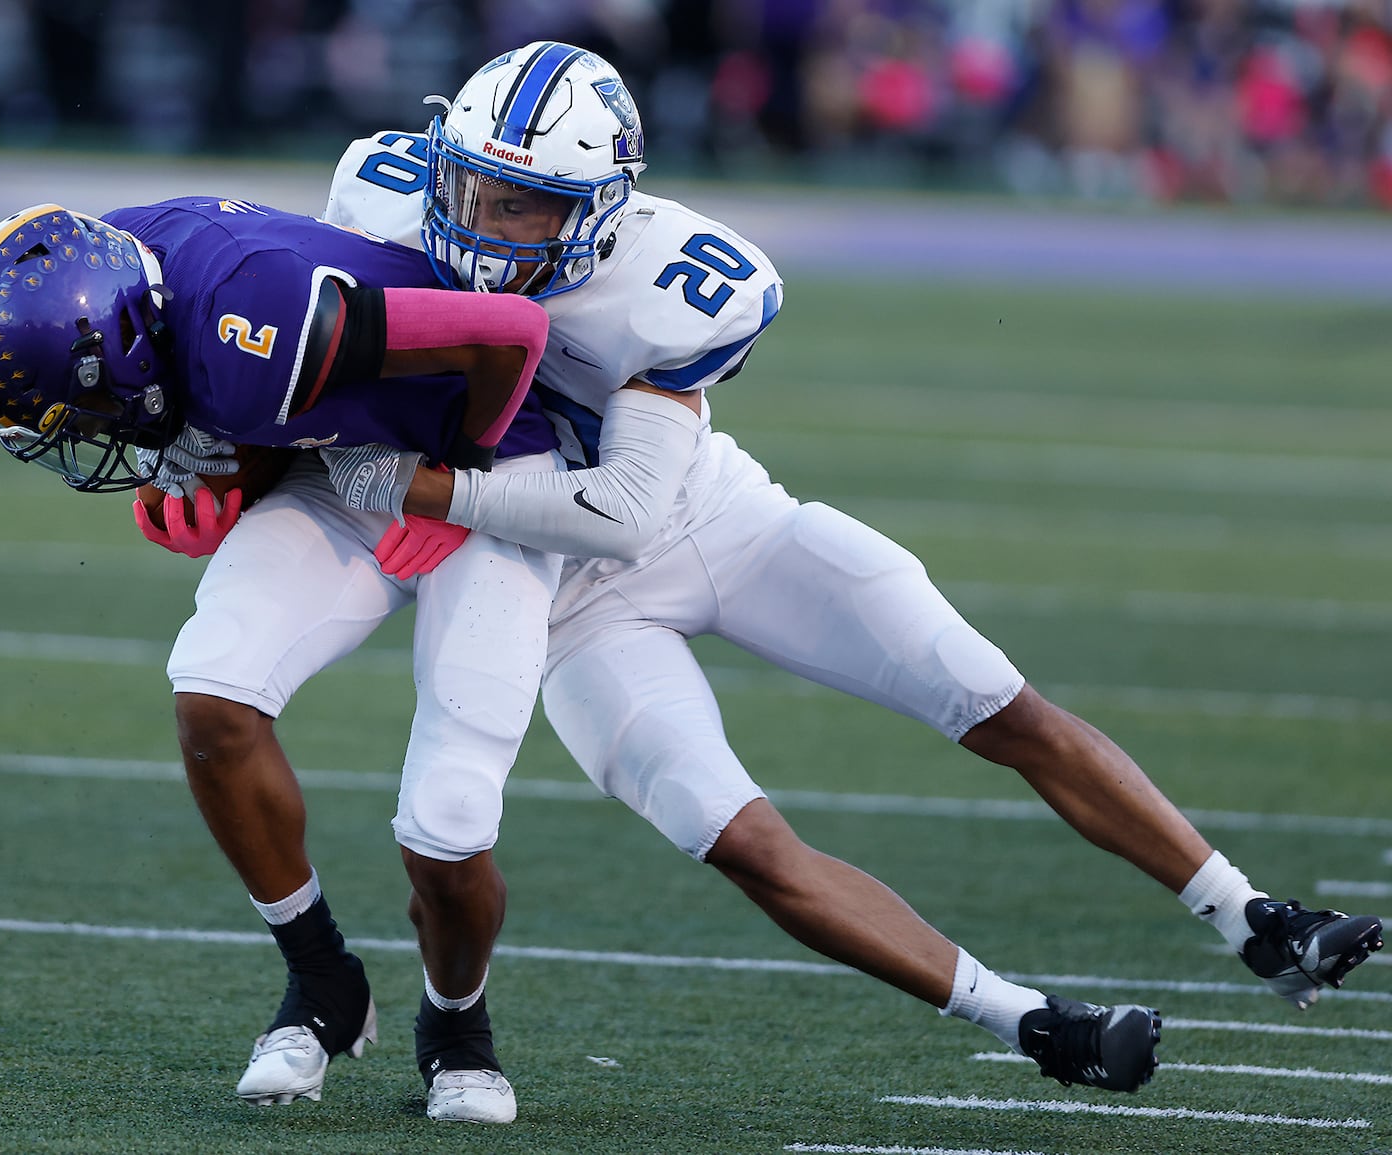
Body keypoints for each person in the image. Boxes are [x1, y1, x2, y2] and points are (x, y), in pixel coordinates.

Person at [316, 40, 1385, 1104]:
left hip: (712, 522)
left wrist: (408, 488)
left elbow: (625, 512)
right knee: (742, 841)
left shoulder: (676, 284)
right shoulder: (382, 195)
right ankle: (1036, 1025)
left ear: (601, 206)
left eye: (525, 205)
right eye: (474, 187)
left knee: (995, 701)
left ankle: (1250, 916)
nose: (484, 224)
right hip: (559, 604)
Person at [0, 197, 567, 1124]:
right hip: (344, 459)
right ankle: (322, 982)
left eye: (89, 407)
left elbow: (512, 335)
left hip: (487, 456)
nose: (92, 431)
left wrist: (458, 485)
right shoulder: (106, 266)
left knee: (449, 815)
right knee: (214, 690)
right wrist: (216, 476)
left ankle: (457, 1028)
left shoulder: (256, 313)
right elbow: (255, 413)